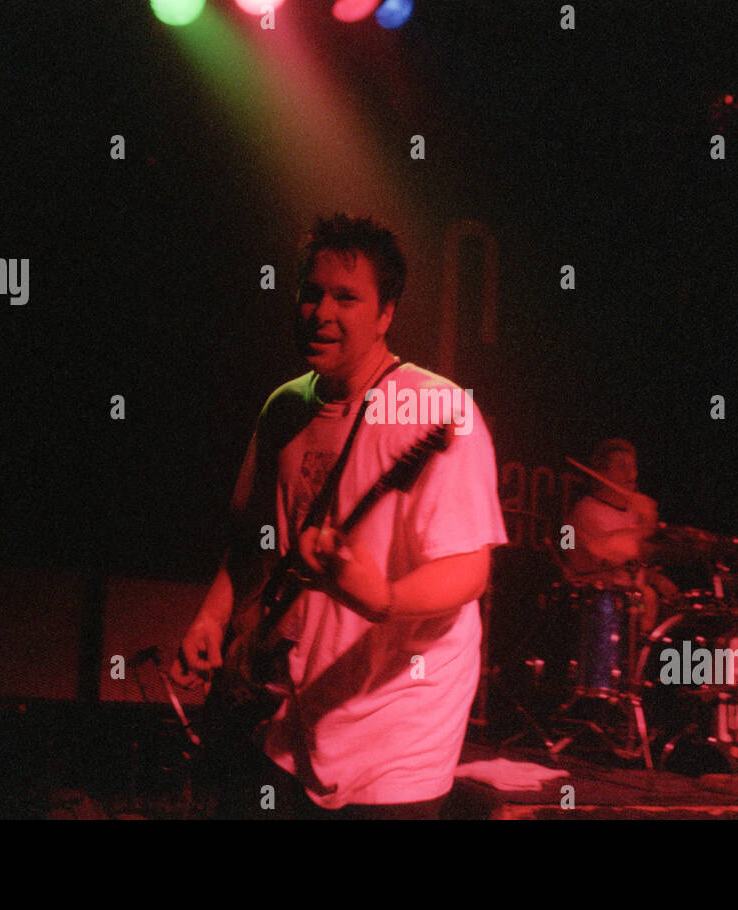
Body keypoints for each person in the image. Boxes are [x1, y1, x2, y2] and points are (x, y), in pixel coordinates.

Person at [172, 213, 507, 819]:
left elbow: (468, 570)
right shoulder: (285, 407)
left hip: (400, 725)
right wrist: (211, 617)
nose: (320, 311)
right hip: (293, 714)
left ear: (386, 314)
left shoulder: (435, 408)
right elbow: (251, 541)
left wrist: (381, 595)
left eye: (346, 297)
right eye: (310, 292)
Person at [563, 439, 672, 636]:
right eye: (622, 468)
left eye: (634, 467)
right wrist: (648, 523)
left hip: (633, 602)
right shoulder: (586, 512)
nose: (632, 475)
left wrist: (655, 578)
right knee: (645, 598)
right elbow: (616, 555)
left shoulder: (631, 512)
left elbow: (631, 565)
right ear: (601, 474)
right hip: (605, 608)